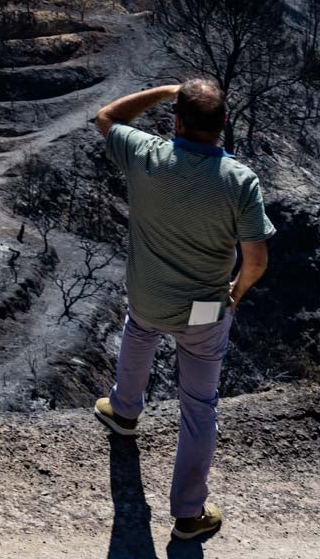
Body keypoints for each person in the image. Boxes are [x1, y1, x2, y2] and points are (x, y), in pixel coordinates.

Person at [92, 79, 275, 540]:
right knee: (198, 405)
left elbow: (106, 117)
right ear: (223, 125)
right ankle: (189, 514)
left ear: (176, 121)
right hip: (201, 313)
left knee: (140, 329)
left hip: (148, 296)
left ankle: (124, 410)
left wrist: (164, 91)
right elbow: (255, 261)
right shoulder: (239, 181)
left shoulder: (146, 155)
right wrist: (234, 293)